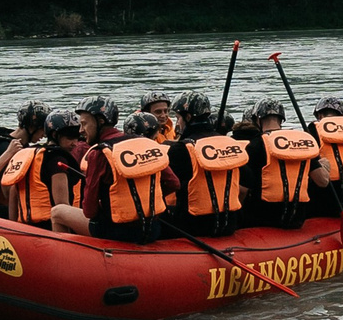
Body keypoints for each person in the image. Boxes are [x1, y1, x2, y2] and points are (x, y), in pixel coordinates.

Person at [82, 112, 183, 243]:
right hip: (153, 229)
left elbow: (89, 211)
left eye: (84, 124)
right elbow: (174, 183)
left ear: (100, 121)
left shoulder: (98, 153)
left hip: (116, 233)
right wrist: (150, 199)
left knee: (59, 212)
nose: (80, 130)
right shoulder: (148, 145)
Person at [173, 99, 248, 238]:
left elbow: (169, 184)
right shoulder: (230, 144)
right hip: (230, 223)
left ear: (188, 117)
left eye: (178, 118)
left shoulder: (180, 149)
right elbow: (247, 183)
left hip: (193, 227)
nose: (177, 124)